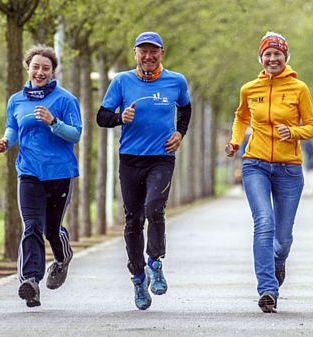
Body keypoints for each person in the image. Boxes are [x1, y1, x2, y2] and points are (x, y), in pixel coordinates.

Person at [96, 32, 191, 311]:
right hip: (130, 159)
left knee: (154, 208)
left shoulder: (176, 81)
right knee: (133, 221)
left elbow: (185, 108)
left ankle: (155, 261)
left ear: (162, 53)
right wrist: (119, 118)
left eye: (154, 51)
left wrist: (180, 132)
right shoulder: (122, 81)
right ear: (135, 53)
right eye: (143, 52)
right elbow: (102, 117)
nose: (148, 56)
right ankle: (138, 277)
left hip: (161, 157)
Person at [225, 32, 313, 313]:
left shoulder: (299, 88)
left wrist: (293, 132)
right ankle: (267, 289)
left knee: (284, 237)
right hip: (255, 163)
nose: (273, 58)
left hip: (289, 168)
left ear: (285, 57)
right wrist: (235, 141)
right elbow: (241, 117)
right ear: (261, 58)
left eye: (278, 54)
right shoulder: (249, 89)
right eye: (268, 54)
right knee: (263, 223)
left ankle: (278, 262)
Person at [0, 45, 82, 307]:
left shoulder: (65, 99)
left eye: (46, 68)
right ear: (27, 67)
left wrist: (53, 122)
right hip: (29, 171)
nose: (40, 71)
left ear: (53, 71)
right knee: (32, 225)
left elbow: (75, 134)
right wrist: (5, 142)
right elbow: (13, 127)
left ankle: (62, 256)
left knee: (51, 229)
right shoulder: (16, 100)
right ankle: (30, 281)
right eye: (36, 66)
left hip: (59, 172)